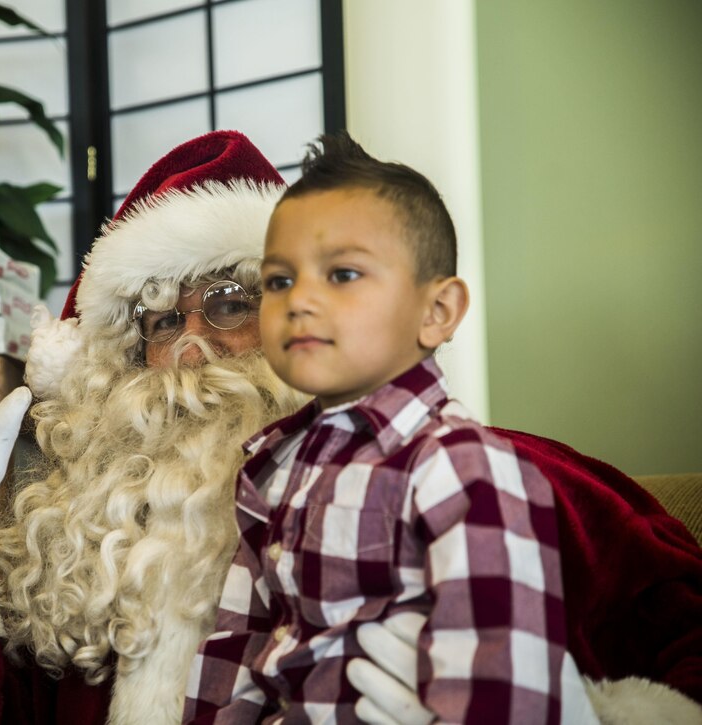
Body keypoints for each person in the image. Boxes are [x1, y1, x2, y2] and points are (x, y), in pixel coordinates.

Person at [0, 131, 702, 724]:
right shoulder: (79, 555)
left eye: (230, 301)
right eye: (160, 321)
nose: (192, 346)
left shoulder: (488, 478)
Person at [182, 132, 597, 723]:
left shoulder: (458, 465)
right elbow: (236, 653)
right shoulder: (272, 466)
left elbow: (501, 679)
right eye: (278, 280)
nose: (300, 300)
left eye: (343, 274)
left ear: (438, 312)